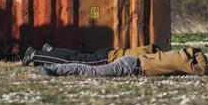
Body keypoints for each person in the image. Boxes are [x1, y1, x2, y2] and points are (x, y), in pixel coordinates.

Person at [36, 47, 208, 78]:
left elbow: (194, 51)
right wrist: (203, 59)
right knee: (91, 71)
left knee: (89, 65)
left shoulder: (179, 54)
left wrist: (197, 53)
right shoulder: (182, 61)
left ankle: (55, 66)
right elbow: (202, 71)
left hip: (132, 62)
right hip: (131, 66)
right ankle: (55, 69)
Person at [21, 43, 159, 66]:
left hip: (109, 53)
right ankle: (35, 55)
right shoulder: (151, 54)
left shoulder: (148, 49)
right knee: (74, 62)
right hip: (107, 58)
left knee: (77, 56)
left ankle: (52, 51)